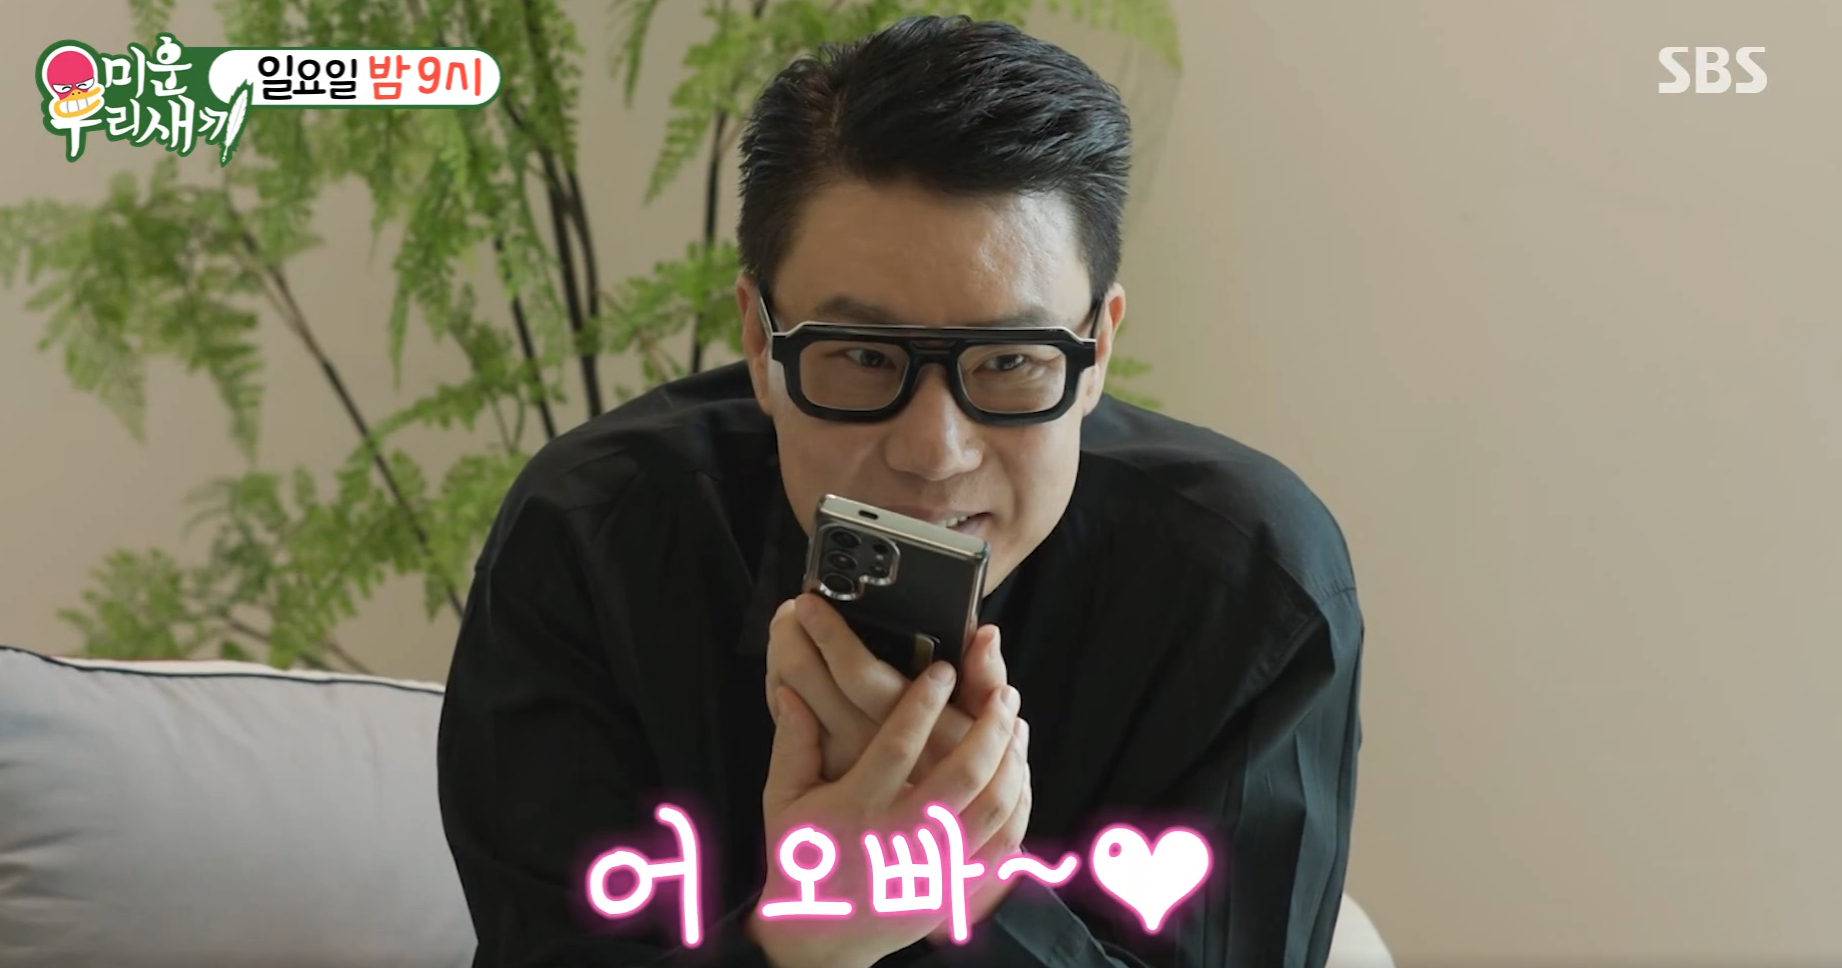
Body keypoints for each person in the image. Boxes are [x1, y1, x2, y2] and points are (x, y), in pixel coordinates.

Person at [436, 14, 1364, 968]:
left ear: (1096, 351)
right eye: (864, 356)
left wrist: (972, 893)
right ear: (760, 342)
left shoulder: (1247, 589)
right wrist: (800, 942)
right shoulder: (596, 543)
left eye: (1011, 360)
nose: (934, 450)